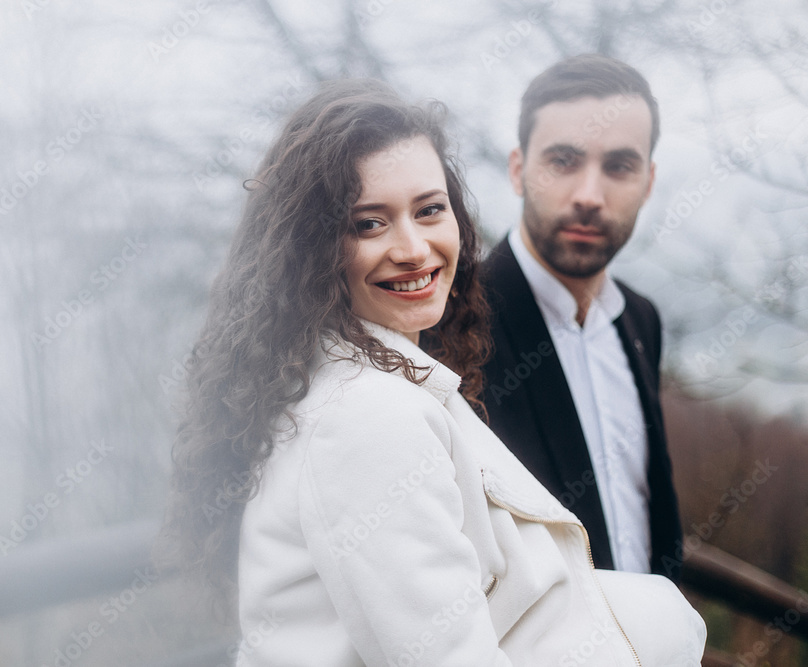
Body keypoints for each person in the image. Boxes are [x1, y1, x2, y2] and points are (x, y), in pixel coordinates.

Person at [161, 78, 704, 665]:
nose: (414, 249)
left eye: (429, 210)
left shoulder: (362, 381)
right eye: (369, 223)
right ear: (310, 249)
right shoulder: (368, 416)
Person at [478, 54, 682, 580]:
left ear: (648, 181)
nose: (590, 196)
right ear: (519, 170)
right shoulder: (454, 321)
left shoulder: (641, 319)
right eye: (564, 161)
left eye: (619, 167)